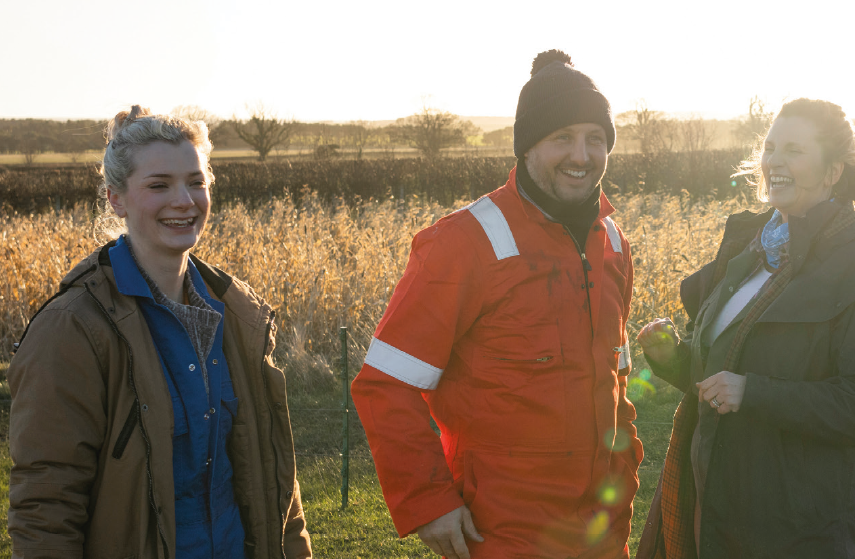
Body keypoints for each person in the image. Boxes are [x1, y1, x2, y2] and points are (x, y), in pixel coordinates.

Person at [352, 50, 643, 559]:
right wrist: (428, 502)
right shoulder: (463, 243)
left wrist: (624, 478)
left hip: (601, 534)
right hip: (503, 535)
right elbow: (386, 385)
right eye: (562, 138)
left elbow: (614, 378)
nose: (582, 155)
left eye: (595, 139)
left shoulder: (613, 242)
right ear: (527, 146)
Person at [7, 106, 312, 559]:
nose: (184, 201)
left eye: (195, 181)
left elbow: (274, 476)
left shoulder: (236, 312)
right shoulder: (73, 327)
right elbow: (47, 506)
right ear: (116, 198)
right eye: (158, 185)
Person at [636, 98, 855, 559]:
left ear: (832, 172)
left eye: (795, 150)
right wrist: (674, 358)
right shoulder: (750, 249)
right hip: (717, 506)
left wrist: (754, 392)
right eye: (770, 146)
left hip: (799, 526)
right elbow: (721, 380)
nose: (774, 161)